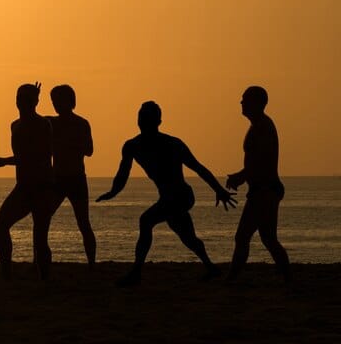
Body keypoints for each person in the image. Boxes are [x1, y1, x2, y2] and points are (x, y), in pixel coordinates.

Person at [97, 101, 236, 286]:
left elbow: (198, 168)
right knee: (186, 235)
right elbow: (122, 174)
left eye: (148, 118)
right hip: (167, 198)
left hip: (183, 196)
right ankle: (211, 267)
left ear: (158, 121)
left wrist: (219, 190)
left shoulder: (173, 143)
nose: (143, 121)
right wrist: (112, 192)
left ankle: (136, 272)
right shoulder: (132, 146)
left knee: (145, 220)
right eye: (141, 117)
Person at [0, 82, 56, 280]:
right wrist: (8, 161)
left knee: (40, 236)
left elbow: (41, 155)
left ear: (35, 102)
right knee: (0, 224)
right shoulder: (14, 125)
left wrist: (5, 161)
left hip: (43, 186)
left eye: (26, 99)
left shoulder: (43, 124)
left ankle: (45, 278)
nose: (21, 102)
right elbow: (23, 155)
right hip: (24, 186)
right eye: (19, 98)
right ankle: (6, 274)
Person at [226, 86, 291, 282]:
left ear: (257, 102)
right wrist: (242, 176)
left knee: (242, 236)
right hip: (264, 190)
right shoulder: (258, 125)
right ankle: (286, 276)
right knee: (269, 238)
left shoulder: (263, 126)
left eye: (245, 99)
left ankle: (232, 278)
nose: (241, 103)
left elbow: (260, 161)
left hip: (264, 191)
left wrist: (240, 176)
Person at [47, 84, 97, 266]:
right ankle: (39, 261)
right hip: (57, 179)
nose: (56, 104)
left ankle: (92, 263)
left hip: (76, 178)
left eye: (59, 101)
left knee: (84, 223)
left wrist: (71, 145)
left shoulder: (81, 124)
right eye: (54, 101)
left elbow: (90, 150)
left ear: (70, 101)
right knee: (43, 219)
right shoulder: (50, 122)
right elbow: (31, 120)